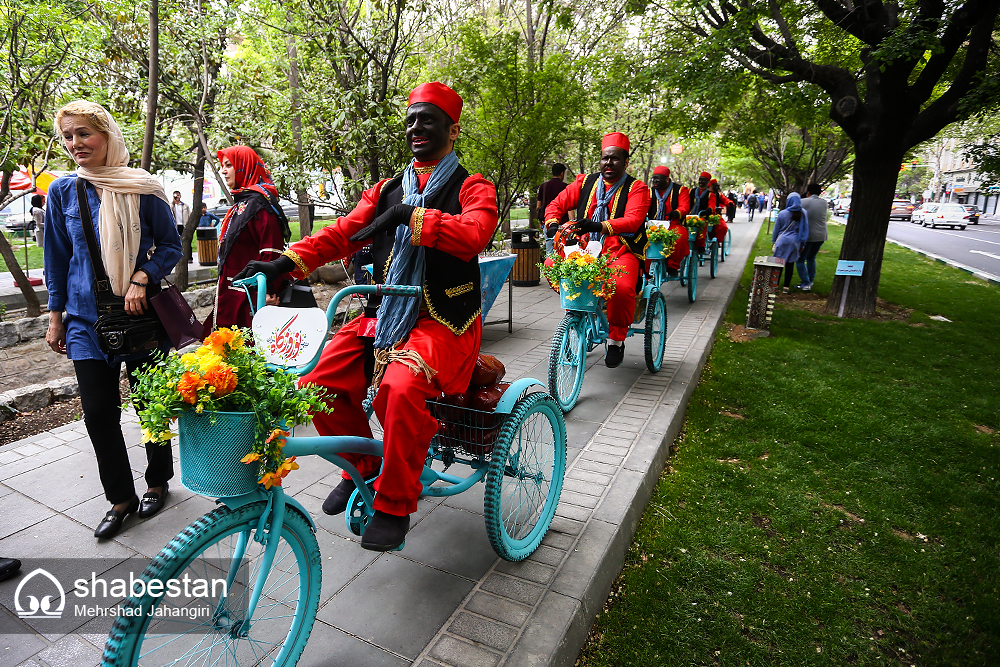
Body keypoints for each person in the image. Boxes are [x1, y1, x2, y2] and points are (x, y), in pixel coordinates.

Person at [236, 82, 498, 551]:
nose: (416, 127)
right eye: (411, 119)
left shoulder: (471, 186)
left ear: (452, 130)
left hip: (443, 320)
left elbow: (476, 233)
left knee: (401, 388)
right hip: (382, 314)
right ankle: (364, 466)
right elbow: (340, 235)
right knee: (315, 383)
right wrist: (284, 262)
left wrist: (415, 218)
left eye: (428, 120)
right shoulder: (387, 189)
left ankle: (396, 502)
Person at [44, 100, 182, 539]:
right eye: (67, 136)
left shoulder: (141, 188)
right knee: (98, 412)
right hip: (86, 322)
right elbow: (57, 259)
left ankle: (158, 481)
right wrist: (55, 315)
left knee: (150, 407)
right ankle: (120, 498)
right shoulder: (62, 193)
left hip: (140, 318)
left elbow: (171, 246)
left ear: (107, 134)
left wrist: (144, 276)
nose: (75, 144)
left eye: (84, 133)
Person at [545, 132, 650, 368]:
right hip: (584, 249)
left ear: (626, 162)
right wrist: (552, 222)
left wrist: (600, 226)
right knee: (552, 266)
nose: (608, 163)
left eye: (614, 159)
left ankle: (615, 340)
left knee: (621, 288)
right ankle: (577, 310)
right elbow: (556, 204)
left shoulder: (637, 188)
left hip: (620, 250)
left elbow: (633, 221)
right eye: (604, 158)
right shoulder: (585, 182)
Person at [209, 146, 292, 330]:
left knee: (250, 354)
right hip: (232, 296)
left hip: (252, 300)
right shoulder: (241, 204)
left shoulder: (260, 205)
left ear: (243, 166)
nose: (223, 171)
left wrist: (266, 293)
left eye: (229, 165)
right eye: (223, 166)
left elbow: (272, 252)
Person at [647, 166, 690, 276]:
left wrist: (677, 212)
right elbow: (642, 206)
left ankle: (673, 265)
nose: (655, 181)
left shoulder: (680, 190)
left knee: (680, 237)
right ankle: (646, 269)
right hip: (653, 225)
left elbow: (684, 206)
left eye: (658, 178)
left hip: (674, 224)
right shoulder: (649, 192)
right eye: (653, 178)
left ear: (667, 179)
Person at [771, 192, 810, 293]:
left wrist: (774, 241)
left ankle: (774, 286)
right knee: (790, 265)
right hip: (795, 242)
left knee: (778, 264)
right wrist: (803, 244)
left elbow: (776, 229)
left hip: (782, 241)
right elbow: (805, 230)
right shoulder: (803, 213)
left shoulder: (782, 213)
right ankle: (786, 287)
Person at [796, 182, 828, 291]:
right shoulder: (824, 203)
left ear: (808, 192)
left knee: (800, 259)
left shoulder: (803, 202)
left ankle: (805, 283)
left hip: (808, 235)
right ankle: (811, 280)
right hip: (821, 235)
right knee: (811, 257)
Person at [687, 172, 729, 252]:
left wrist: (709, 210)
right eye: (700, 180)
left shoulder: (711, 194)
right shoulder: (691, 191)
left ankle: (701, 246)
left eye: (704, 180)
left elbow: (712, 205)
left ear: (708, 182)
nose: (701, 182)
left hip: (703, 217)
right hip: (690, 216)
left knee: (702, 224)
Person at [537, 163, 568, 255]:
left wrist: (540, 222)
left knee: (549, 251)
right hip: (563, 224)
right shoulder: (565, 187)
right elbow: (569, 208)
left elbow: (538, 206)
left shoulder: (544, 186)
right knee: (564, 251)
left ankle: (548, 268)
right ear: (562, 173)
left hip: (548, 223)